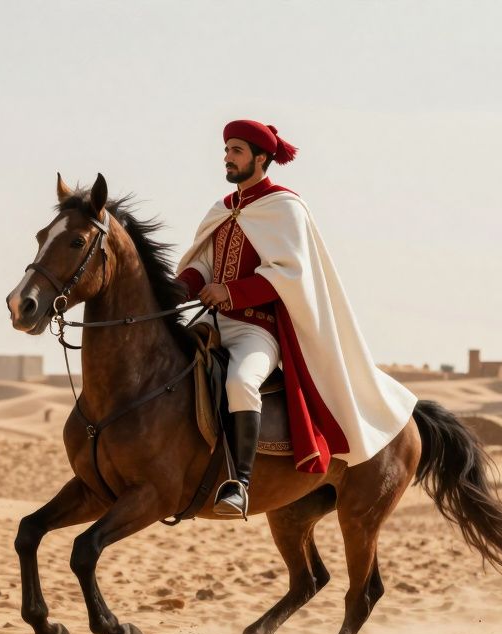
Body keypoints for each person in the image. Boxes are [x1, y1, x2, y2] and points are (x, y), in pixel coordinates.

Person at [173, 120, 418, 518]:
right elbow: (202, 264)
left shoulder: (284, 207)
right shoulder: (222, 209)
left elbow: (289, 273)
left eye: (236, 151)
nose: (227, 157)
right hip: (210, 322)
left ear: (260, 158)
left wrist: (230, 292)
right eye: (227, 150)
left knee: (240, 382)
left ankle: (238, 484)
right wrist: (178, 288)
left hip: (256, 329)